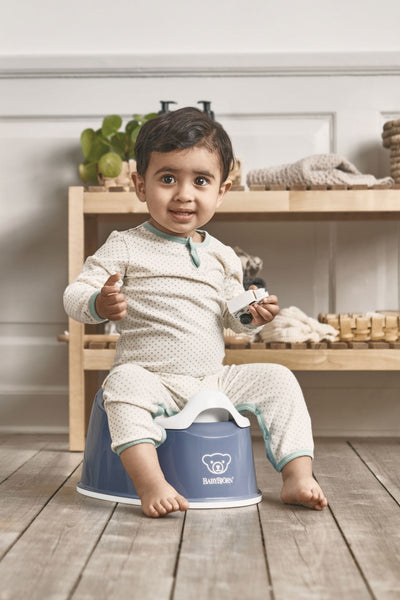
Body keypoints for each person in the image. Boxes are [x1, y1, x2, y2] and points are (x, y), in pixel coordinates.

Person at [64, 107, 327, 517]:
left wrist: (251, 315)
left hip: (211, 380)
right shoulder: (125, 245)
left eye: (201, 181)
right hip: (151, 377)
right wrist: (98, 302)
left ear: (221, 191)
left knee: (278, 378)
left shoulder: (222, 256)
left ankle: (297, 475)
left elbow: (232, 318)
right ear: (140, 185)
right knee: (121, 384)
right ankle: (151, 483)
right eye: (168, 178)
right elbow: (75, 293)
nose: (184, 194)